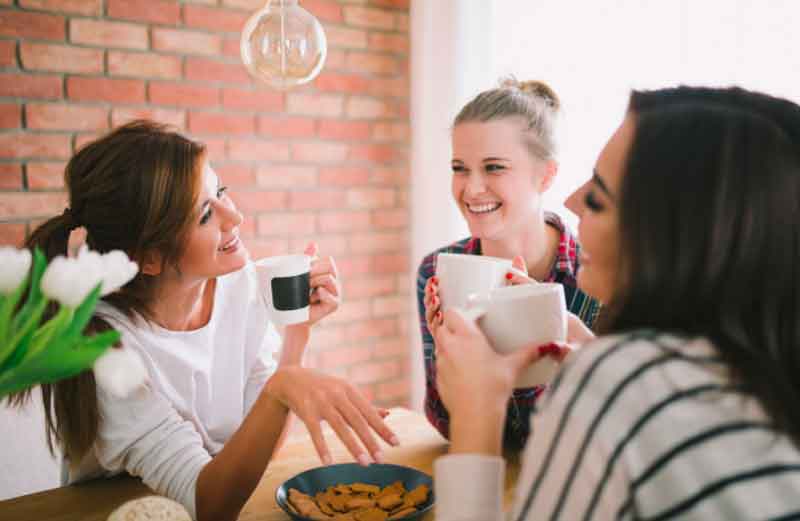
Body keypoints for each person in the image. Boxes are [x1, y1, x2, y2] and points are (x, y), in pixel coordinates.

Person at [431, 86, 800, 520]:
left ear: (674, 237)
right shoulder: (767, 372)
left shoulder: (617, 378)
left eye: (600, 196)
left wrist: (479, 408)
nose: (571, 201)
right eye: (460, 167)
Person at [11, 121, 397, 521]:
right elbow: (209, 504)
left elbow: (255, 449)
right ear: (148, 257)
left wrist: (296, 331)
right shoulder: (105, 350)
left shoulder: (240, 289)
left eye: (222, 192)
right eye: (204, 215)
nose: (236, 217)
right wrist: (283, 387)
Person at [418, 79, 601, 448]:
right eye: (460, 168)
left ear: (546, 175)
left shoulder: (598, 275)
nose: (471, 189)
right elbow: (449, 427)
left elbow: (613, 427)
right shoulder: (435, 271)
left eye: (494, 167)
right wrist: (450, 364)